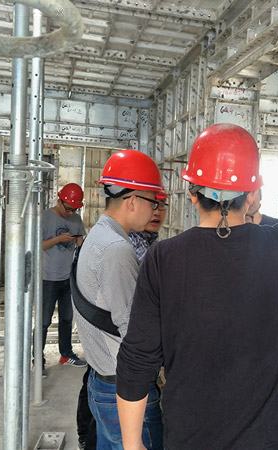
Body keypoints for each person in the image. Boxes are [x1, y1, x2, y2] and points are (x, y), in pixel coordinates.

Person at [116, 123, 278, 450]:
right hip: (272, 437)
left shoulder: (163, 258)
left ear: (192, 194)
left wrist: (132, 444)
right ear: (252, 195)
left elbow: (138, 358)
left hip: (192, 438)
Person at [74, 150, 164, 450]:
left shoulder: (98, 235)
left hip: (102, 378)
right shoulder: (117, 249)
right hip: (122, 387)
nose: (155, 210)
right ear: (133, 201)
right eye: (153, 202)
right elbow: (132, 330)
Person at [36, 182, 87, 377]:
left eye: (74, 209)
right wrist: (58, 239)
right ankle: (37, 360)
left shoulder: (76, 219)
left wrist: (80, 242)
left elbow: (80, 240)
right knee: (43, 321)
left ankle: (66, 354)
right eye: (68, 208)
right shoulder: (45, 217)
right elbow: (37, 245)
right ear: (59, 201)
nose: (70, 212)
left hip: (68, 278)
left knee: (67, 318)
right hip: (48, 278)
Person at [128, 190, 168, 263]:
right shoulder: (128, 244)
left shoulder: (152, 243)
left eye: (161, 205)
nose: (157, 212)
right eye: (151, 204)